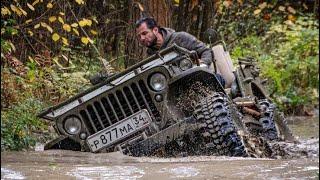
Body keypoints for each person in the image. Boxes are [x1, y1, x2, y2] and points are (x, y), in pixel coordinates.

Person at [135, 17, 225, 87]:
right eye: (139, 36)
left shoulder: (180, 38)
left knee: (215, 80)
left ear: (155, 30)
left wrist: (202, 65)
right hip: (175, 90)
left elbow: (206, 50)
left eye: (144, 33)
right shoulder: (149, 57)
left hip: (199, 79)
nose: (142, 39)